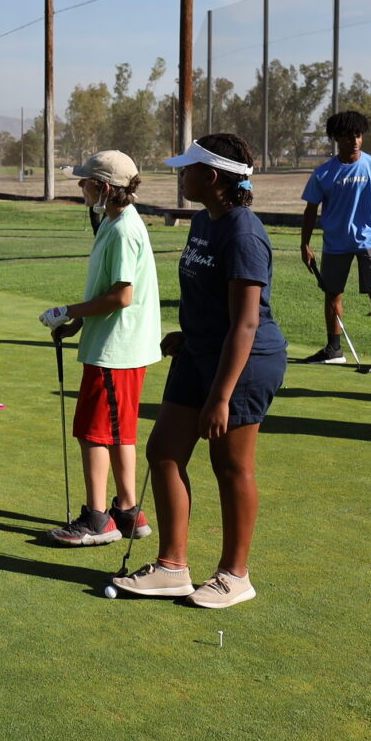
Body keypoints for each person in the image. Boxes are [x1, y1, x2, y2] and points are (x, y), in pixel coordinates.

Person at [111, 135, 285, 609]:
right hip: (199, 352)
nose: (179, 175)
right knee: (163, 451)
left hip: (244, 361)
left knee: (231, 467)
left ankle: (235, 575)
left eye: (186, 169)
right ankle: (172, 568)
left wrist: (221, 396)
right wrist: (187, 336)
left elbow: (246, 322)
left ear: (211, 177)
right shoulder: (204, 223)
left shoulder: (243, 232)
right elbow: (208, 300)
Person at [41, 150, 160, 547]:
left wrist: (67, 309)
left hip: (117, 349)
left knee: (93, 433)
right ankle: (127, 511)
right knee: (119, 432)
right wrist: (77, 321)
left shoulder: (124, 228)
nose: (80, 187)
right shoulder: (113, 221)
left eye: (86, 182)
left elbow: (122, 295)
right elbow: (107, 289)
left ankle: (97, 520)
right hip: (115, 345)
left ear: (105, 188)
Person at [299, 110, 371, 372]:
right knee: (332, 294)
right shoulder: (323, 173)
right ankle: (333, 349)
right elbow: (311, 210)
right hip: (335, 243)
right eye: (348, 136)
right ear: (336, 138)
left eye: (358, 135)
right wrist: (305, 244)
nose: (354, 140)